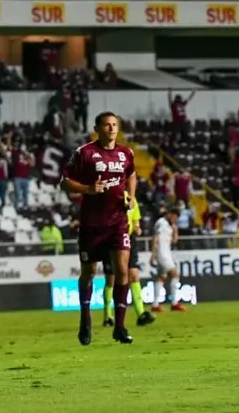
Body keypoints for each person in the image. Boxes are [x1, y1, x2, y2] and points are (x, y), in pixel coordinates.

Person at [60, 112, 137, 345]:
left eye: (115, 125)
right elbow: (64, 181)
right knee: (89, 273)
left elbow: (132, 174)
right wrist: (87, 189)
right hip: (92, 224)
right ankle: (85, 318)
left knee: (122, 270)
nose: (112, 128)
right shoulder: (85, 153)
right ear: (97, 128)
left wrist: (131, 198)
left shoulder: (126, 153)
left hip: (118, 222)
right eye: (107, 124)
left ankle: (120, 326)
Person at [101, 191, 154, 328]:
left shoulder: (130, 197)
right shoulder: (108, 196)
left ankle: (141, 314)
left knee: (134, 275)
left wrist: (137, 227)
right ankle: (108, 316)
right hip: (111, 238)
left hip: (129, 238)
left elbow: (135, 219)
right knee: (111, 279)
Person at [150, 208, 187, 313]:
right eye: (175, 217)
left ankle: (155, 305)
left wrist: (175, 230)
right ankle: (174, 303)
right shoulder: (161, 222)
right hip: (162, 254)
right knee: (175, 275)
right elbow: (155, 238)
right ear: (170, 214)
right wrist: (153, 254)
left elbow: (175, 241)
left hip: (167, 253)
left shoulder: (171, 226)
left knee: (161, 278)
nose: (175, 220)